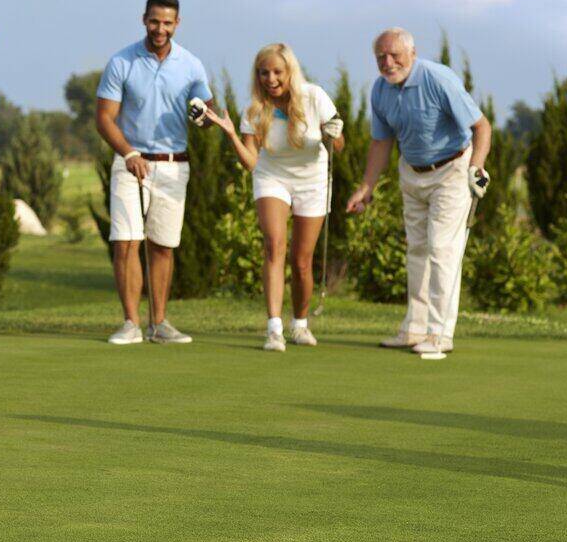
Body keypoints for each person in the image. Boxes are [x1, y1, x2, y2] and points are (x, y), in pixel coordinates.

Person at [345, 28, 491, 355]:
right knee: (417, 250)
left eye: (394, 54)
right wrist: (366, 187)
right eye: (381, 56)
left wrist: (476, 168)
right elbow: (381, 142)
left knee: (442, 249)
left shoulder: (438, 79)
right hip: (411, 173)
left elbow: (482, 127)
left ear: (412, 52)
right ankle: (414, 329)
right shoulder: (380, 90)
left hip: (453, 169)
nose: (388, 61)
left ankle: (440, 334)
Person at [204, 44, 343, 351]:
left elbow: (339, 144)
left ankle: (300, 324)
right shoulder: (254, 109)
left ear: (289, 72)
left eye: (277, 71)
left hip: (313, 179)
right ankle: (274, 328)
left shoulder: (314, 97)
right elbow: (253, 162)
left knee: (302, 260)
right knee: (274, 245)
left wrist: (333, 132)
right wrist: (230, 134)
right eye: (264, 72)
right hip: (272, 176)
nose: (270, 78)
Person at [96, 0, 215, 345]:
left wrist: (203, 116)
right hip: (130, 161)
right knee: (127, 242)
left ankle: (159, 324)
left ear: (177, 24)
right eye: (154, 21)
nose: (159, 29)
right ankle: (131, 323)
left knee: (163, 245)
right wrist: (129, 153)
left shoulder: (191, 64)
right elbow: (104, 118)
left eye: (167, 22)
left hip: (174, 165)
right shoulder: (122, 62)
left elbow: (208, 114)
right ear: (144, 19)